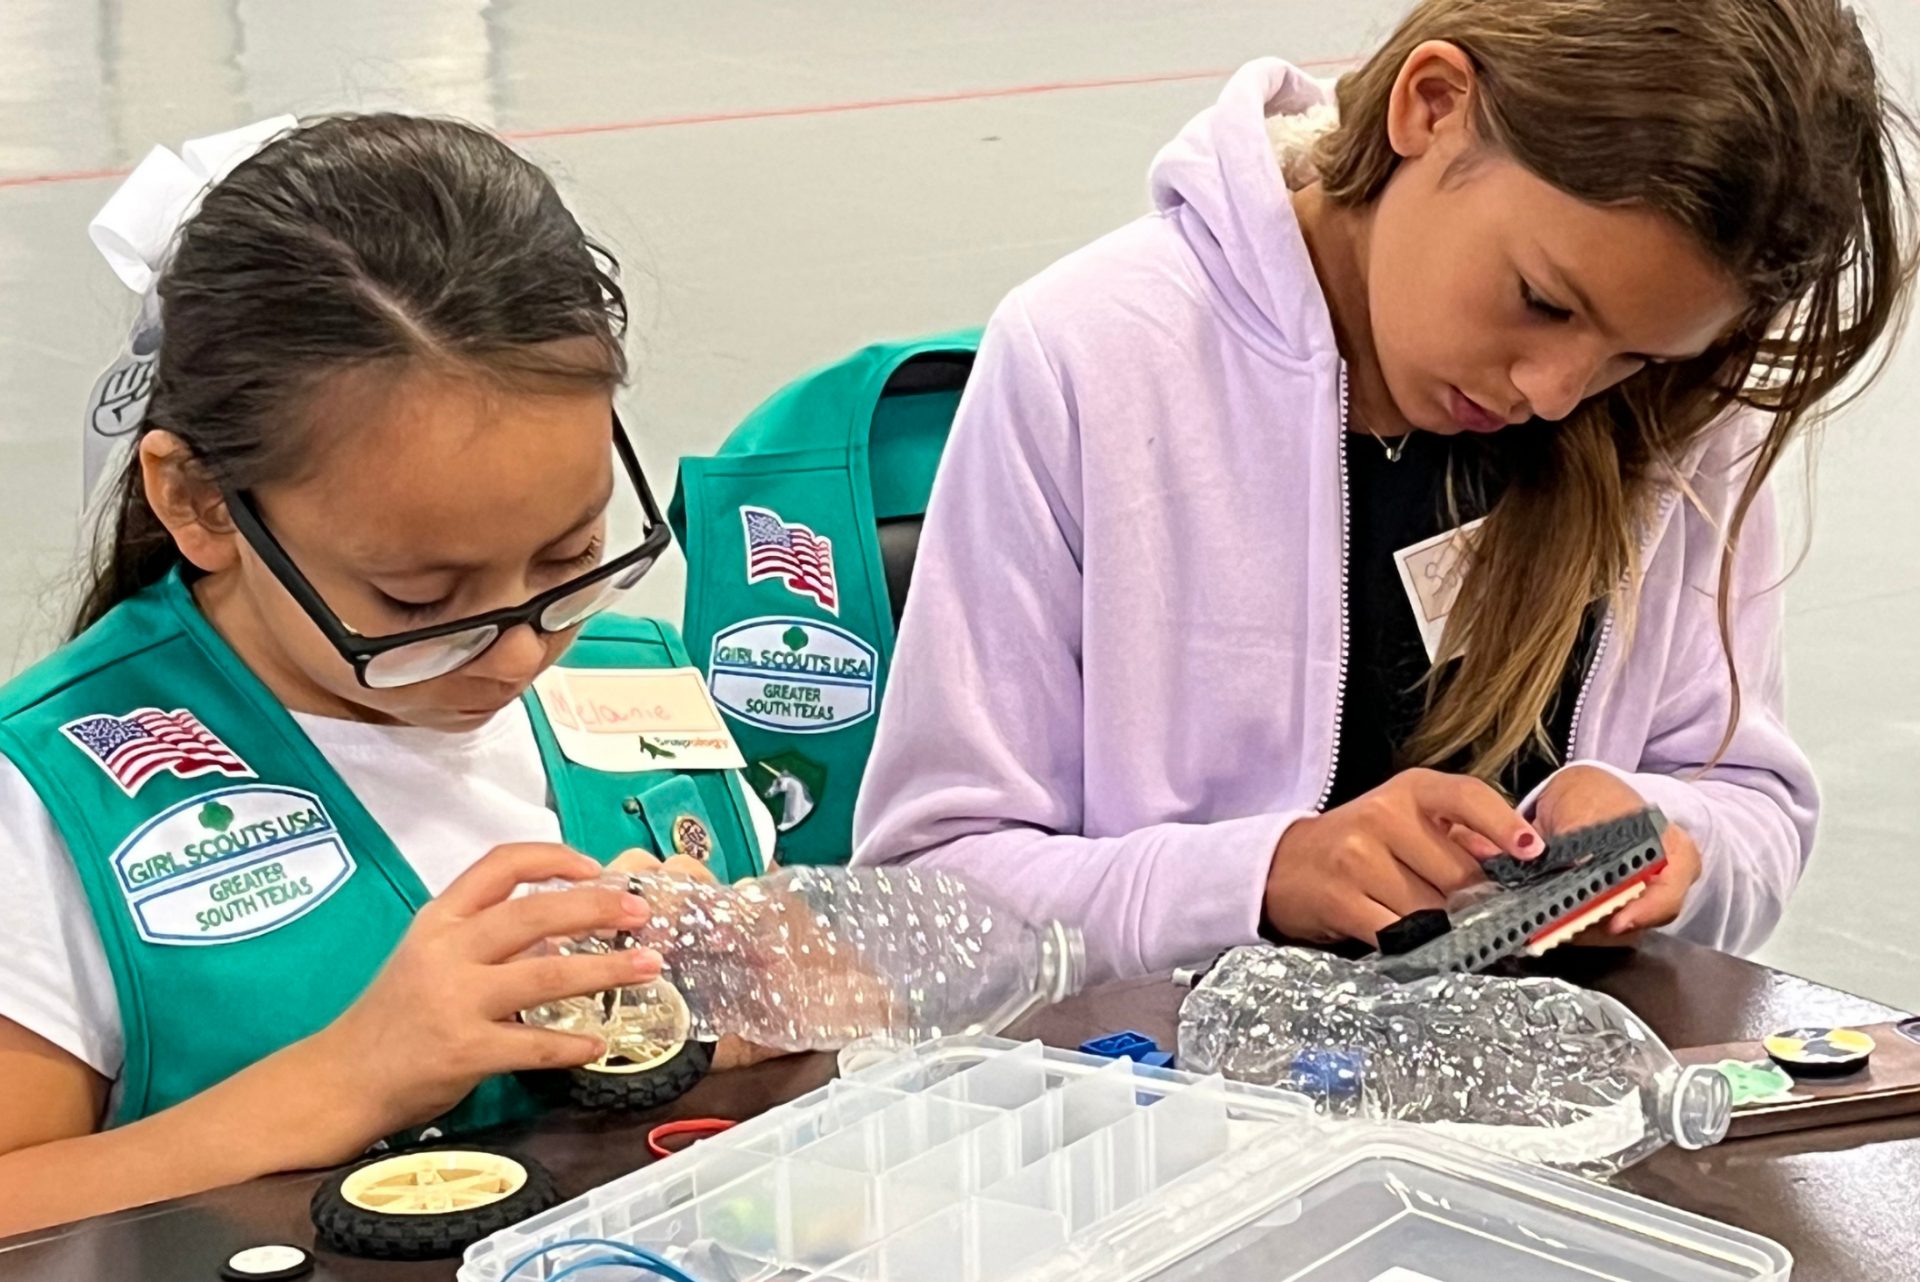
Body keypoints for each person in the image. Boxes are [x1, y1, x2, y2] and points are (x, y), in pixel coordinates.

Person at [854, 0, 1916, 984]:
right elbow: (925, 896)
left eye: (1628, 355)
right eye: (1542, 300)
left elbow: (1757, 805)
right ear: (1433, 104)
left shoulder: (1681, 406)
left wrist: (1668, 833)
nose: (1555, 393)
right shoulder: (1090, 358)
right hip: (1179, 1136)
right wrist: (1262, 877)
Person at [0, 114, 773, 1232]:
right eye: (417, 601)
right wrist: (345, 1078)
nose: (516, 647)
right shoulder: (52, 799)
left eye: (571, 555)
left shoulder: (638, 685)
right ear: (204, 503)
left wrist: (769, 1002)